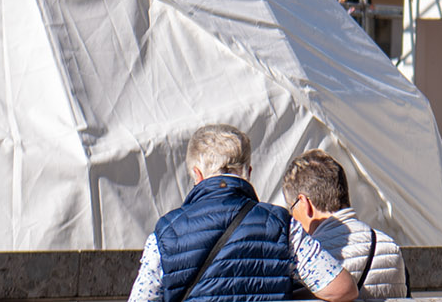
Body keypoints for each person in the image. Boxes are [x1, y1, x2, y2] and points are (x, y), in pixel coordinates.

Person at [127, 124, 356, 302]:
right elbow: (342, 288)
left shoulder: (166, 233)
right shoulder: (280, 224)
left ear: (197, 175)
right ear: (248, 171)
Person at [281, 151, 406, 300]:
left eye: (291, 207)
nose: (293, 216)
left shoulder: (309, 259)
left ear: (304, 203)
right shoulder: (390, 247)